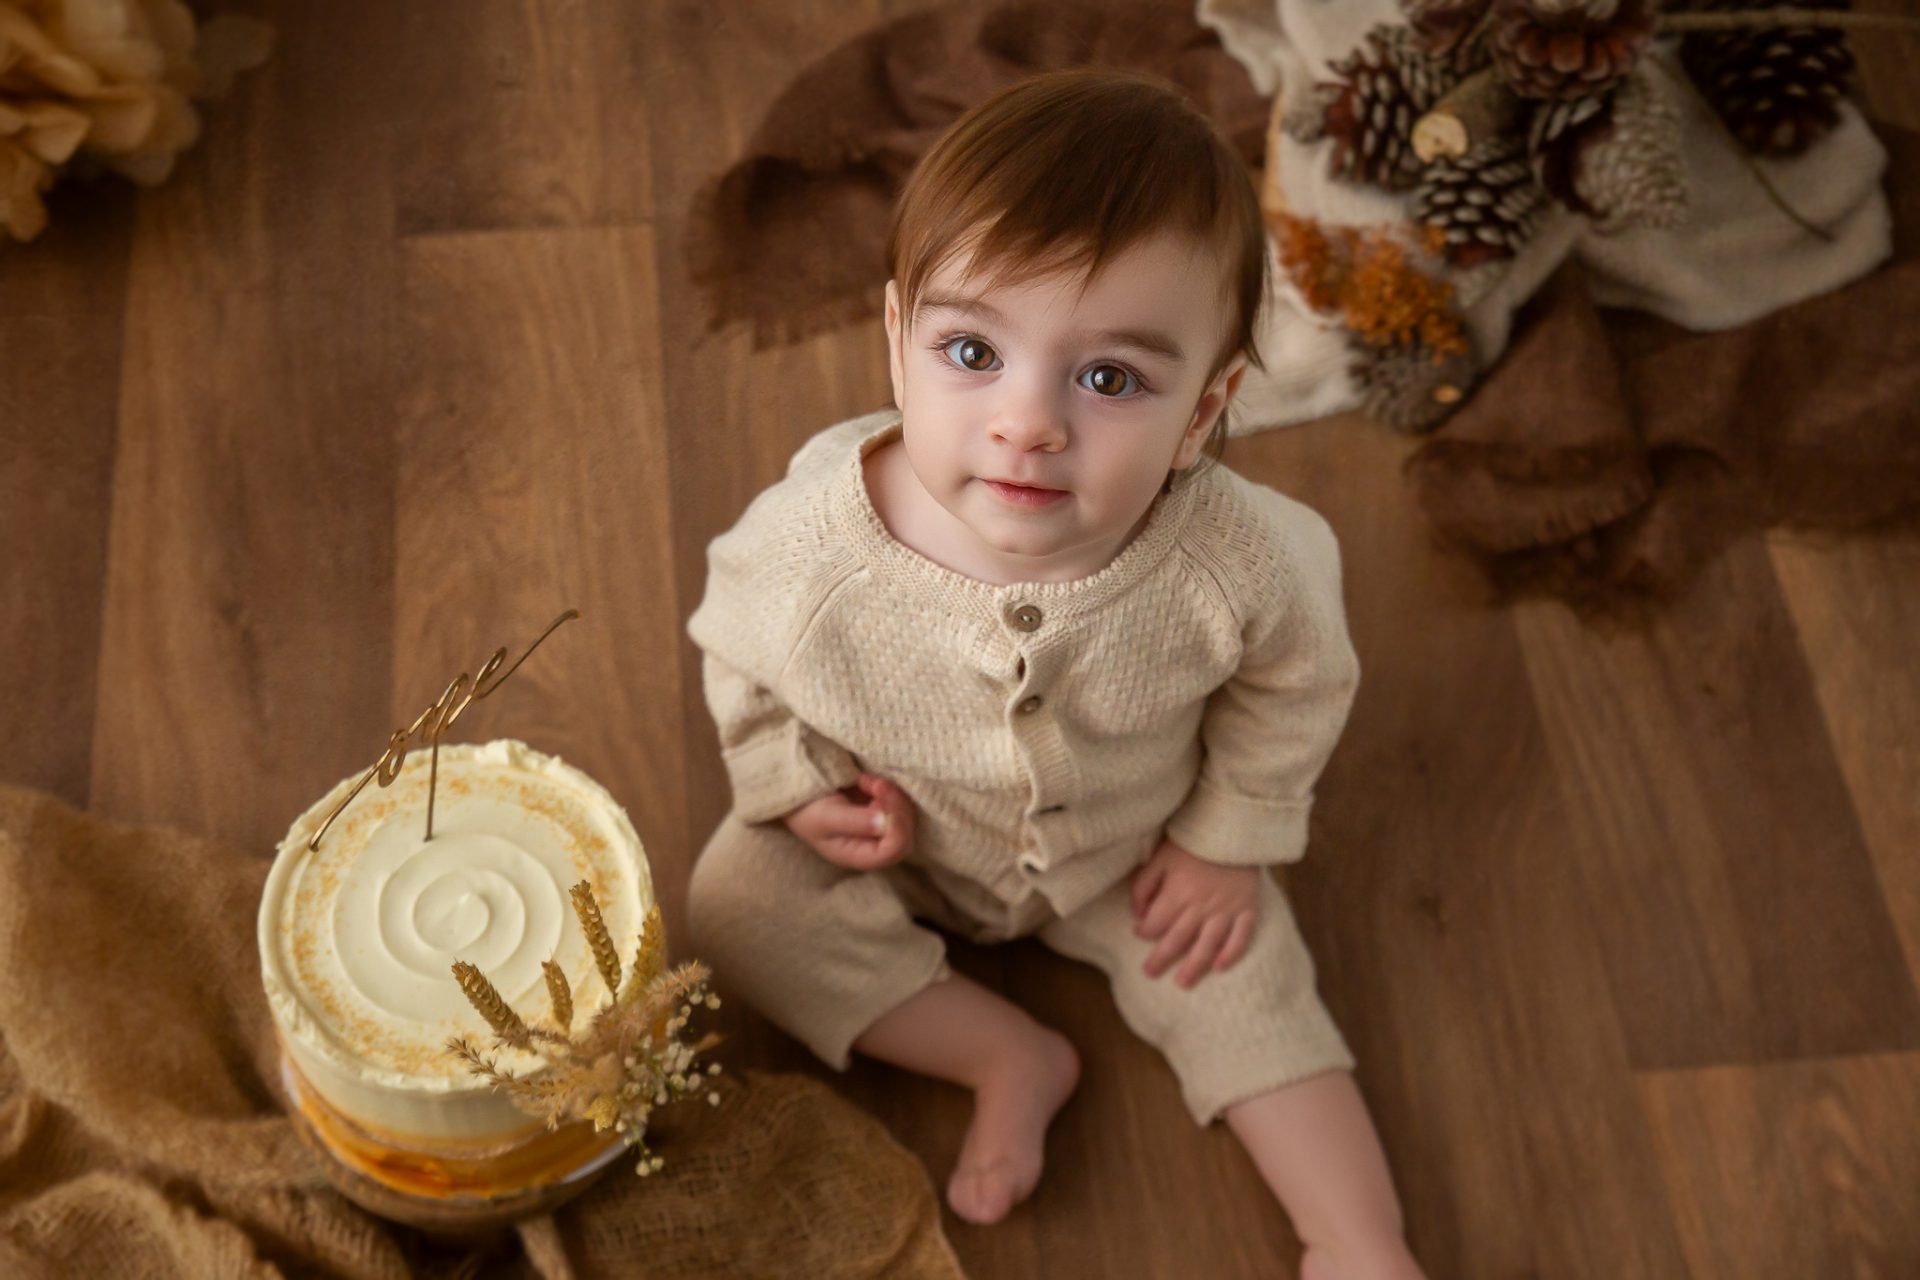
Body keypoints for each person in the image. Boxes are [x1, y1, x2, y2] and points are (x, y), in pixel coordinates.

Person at [685, 68, 1425, 1280]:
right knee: (735, 903)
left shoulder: (1240, 561)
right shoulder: (818, 539)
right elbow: (735, 637)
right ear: (897, 343)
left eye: (1111, 378)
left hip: (1137, 856)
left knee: (1246, 975)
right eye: (972, 350)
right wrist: (795, 779)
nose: (1027, 422)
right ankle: (1001, 1052)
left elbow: (1298, 682)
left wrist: (1228, 837)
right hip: (903, 835)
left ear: (1205, 409)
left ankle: (1357, 1238)